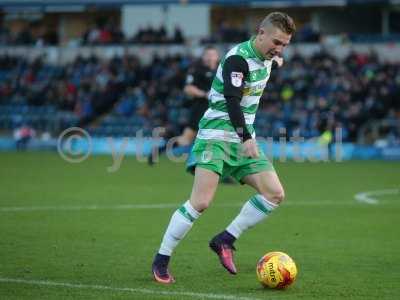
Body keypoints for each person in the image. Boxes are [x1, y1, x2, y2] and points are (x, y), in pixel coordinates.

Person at [151, 11, 296, 284]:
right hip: (216, 137)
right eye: (276, 42)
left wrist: (276, 58)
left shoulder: (267, 56)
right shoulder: (237, 60)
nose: (279, 48)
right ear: (260, 33)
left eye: (285, 44)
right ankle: (161, 259)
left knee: (274, 194)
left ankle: (225, 239)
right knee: (201, 202)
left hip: (242, 139)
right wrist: (246, 138)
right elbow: (232, 102)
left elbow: (271, 59)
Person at [147, 46, 219, 165]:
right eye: (208, 55)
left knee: (194, 140)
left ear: (217, 56)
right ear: (203, 57)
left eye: (213, 55)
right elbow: (188, 88)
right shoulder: (197, 70)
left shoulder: (221, 71)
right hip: (200, 109)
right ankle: (159, 151)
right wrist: (204, 94)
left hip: (216, 110)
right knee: (188, 140)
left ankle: (158, 151)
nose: (210, 57)